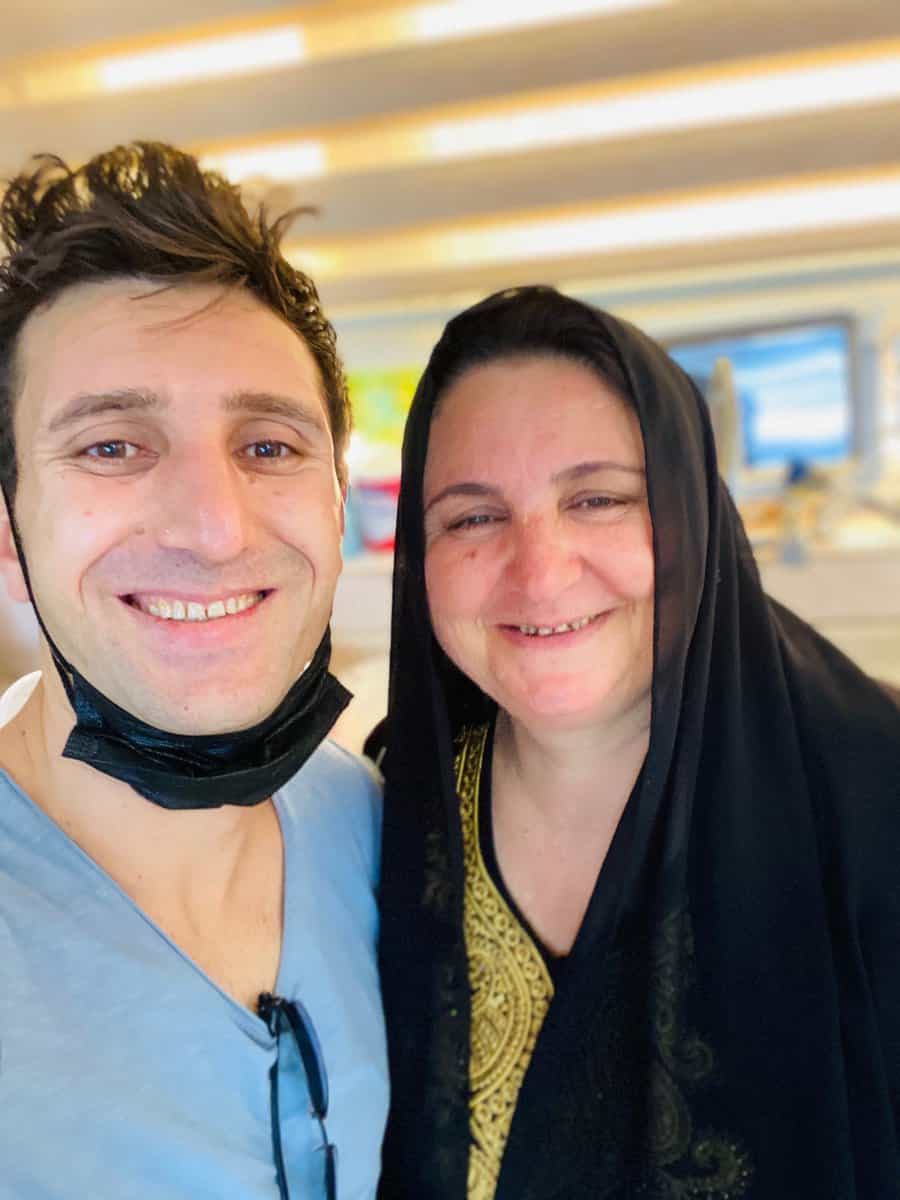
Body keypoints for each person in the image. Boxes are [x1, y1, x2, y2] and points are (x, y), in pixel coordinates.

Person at [375, 286, 900, 1199]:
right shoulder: (383, 814)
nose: (541, 574)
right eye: (472, 516)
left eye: (599, 499)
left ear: (693, 513)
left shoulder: (874, 802)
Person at [0, 143, 387, 1199]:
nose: (215, 530)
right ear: (9, 527)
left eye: (269, 447)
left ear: (336, 504)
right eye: (112, 447)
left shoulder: (374, 829)